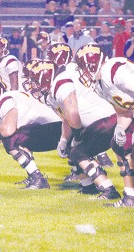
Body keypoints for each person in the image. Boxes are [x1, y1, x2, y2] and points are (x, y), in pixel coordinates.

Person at [28, 44, 120, 199]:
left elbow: (73, 111)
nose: (33, 86)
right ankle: (88, 186)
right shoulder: (58, 84)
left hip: (103, 120)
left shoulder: (60, 82)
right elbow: (66, 119)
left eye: (36, 81)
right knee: (72, 149)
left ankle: (108, 189)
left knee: (78, 151)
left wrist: (77, 136)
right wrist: (64, 140)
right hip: (102, 119)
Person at [0, 79, 63, 189]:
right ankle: (34, 176)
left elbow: (8, 130)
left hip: (55, 131)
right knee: (11, 136)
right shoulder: (5, 102)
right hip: (52, 131)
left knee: (11, 139)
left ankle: (37, 178)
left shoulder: (5, 100)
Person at [75, 43, 134, 207]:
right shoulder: (100, 86)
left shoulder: (115, 70)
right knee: (120, 145)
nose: (82, 73)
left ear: (92, 64)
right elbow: (124, 112)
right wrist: (120, 128)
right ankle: (130, 197)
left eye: (83, 68)